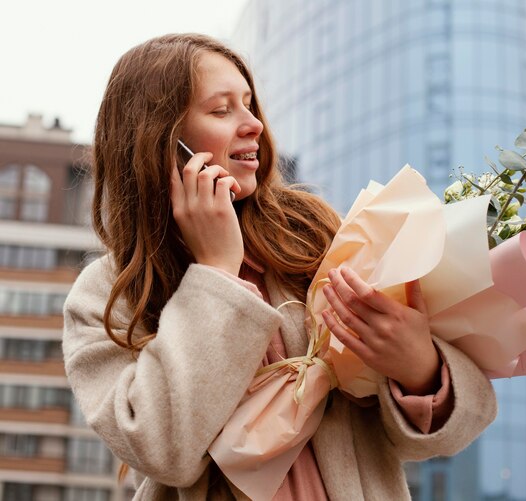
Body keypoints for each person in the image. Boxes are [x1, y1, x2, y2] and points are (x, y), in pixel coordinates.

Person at [62, 33, 497, 500]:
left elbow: (451, 432)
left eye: (249, 105)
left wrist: (421, 368)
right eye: (222, 109)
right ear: (163, 141)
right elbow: (161, 450)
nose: (254, 125)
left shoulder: (311, 235)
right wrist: (215, 273)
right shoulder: (105, 295)